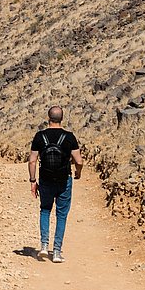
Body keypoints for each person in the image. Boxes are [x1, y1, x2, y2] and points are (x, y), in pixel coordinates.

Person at [28, 106, 83, 262]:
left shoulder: (40, 136)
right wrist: (78, 173)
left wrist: (33, 181)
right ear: (62, 118)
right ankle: (57, 252)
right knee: (62, 215)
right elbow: (79, 161)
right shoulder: (69, 137)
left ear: (48, 117)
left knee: (45, 210)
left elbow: (32, 161)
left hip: (45, 180)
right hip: (64, 180)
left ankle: (44, 246)